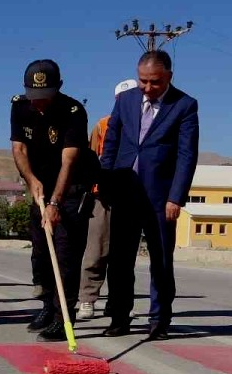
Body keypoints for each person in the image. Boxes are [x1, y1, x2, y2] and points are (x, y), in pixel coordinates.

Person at [99, 50, 199, 341]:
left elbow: (186, 155)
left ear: (168, 76)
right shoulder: (126, 100)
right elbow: (112, 139)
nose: (147, 87)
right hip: (125, 191)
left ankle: (159, 320)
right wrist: (106, 180)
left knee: (161, 261)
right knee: (119, 260)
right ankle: (119, 317)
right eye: (142, 81)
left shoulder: (185, 105)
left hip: (160, 198)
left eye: (154, 82)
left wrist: (175, 198)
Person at [10, 59, 94, 342]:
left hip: (70, 192)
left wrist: (56, 203)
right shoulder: (20, 106)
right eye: (33, 97)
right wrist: (32, 181)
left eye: (43, 98)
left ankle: (63, 318)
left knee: (65, 256)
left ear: (58, 88)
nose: (37, 104)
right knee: (41, 254)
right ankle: (47, 306)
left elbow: (69, 160)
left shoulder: (73, 112)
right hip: (40, 189)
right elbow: (19, 148)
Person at [78, 78, 138, 321]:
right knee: (96, 251)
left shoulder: (144, 125)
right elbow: (92, 158)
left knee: (124, 256)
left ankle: (119, 303)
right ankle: (87, 300)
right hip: (103, 196)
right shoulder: (103, 125)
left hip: (132, 195)